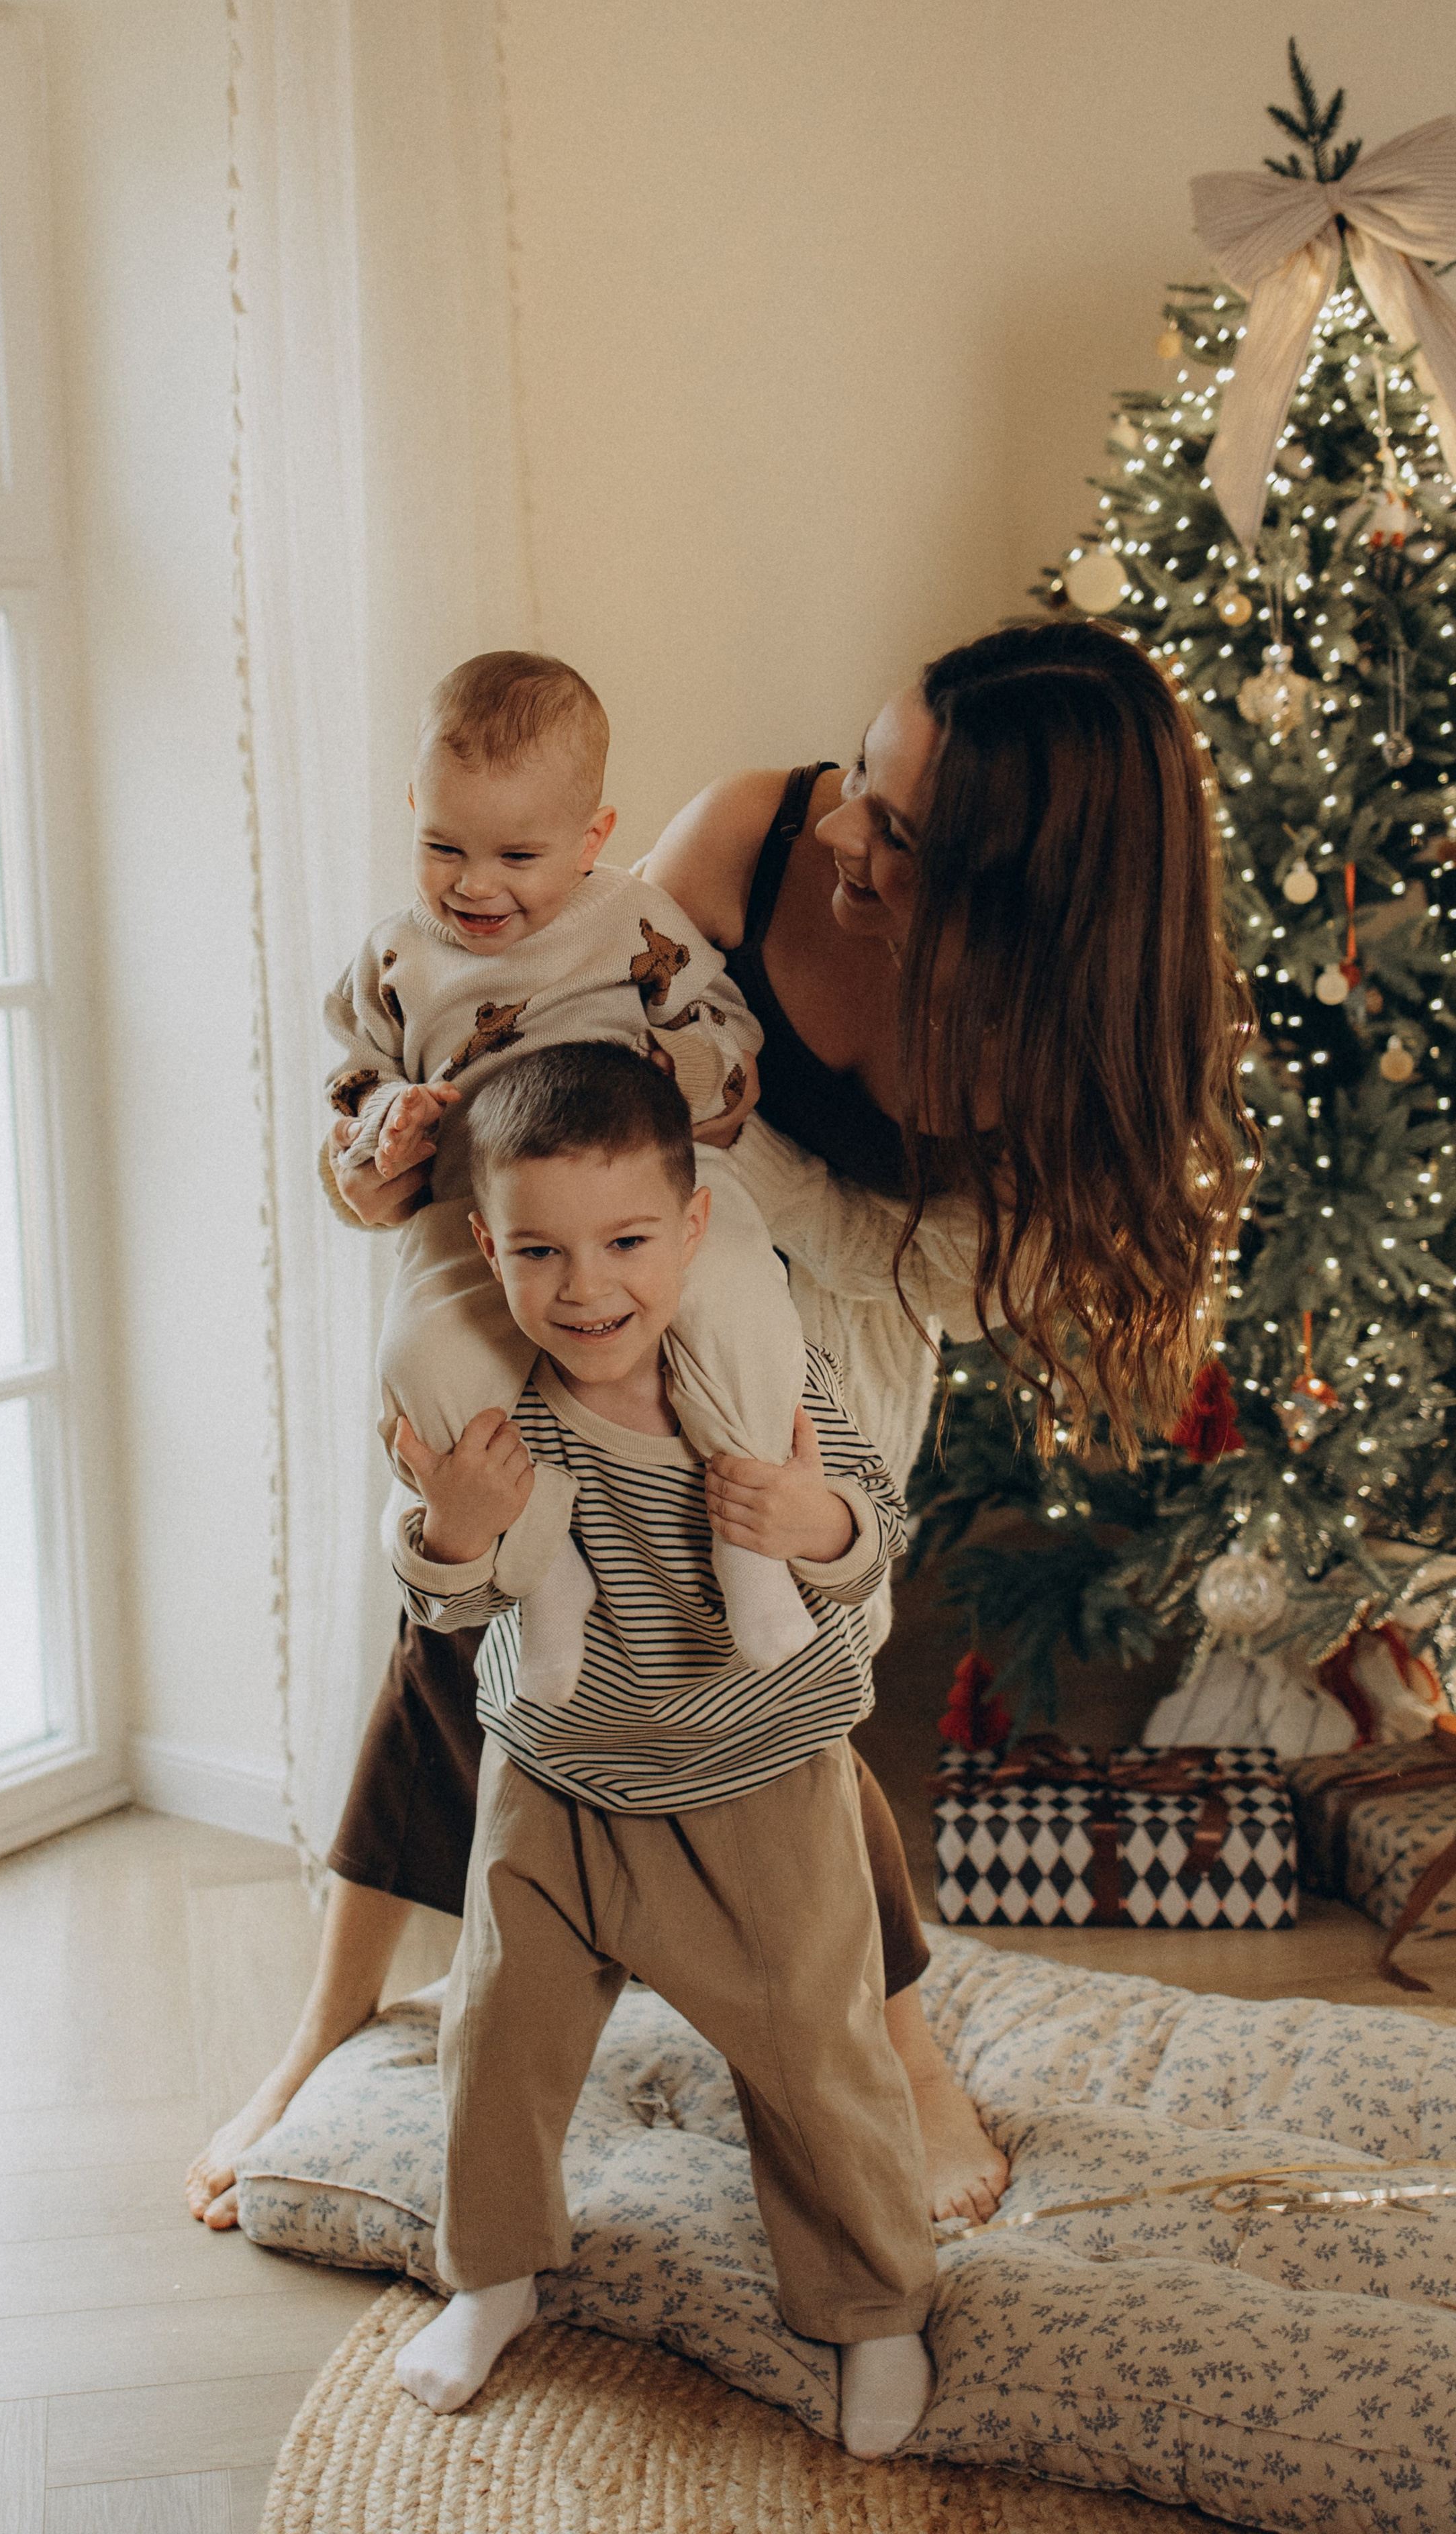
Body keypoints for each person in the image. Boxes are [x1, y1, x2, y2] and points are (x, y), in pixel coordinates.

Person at [185, 616, 1255, 2236]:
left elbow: (966, 1283)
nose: (842, 826)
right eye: (862, 772)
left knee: (782, 1690)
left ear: (1011, 889)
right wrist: (442, 1172)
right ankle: (326, 2020)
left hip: (822, 1331)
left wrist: (739, 1218)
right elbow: (557, 1047)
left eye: (897, 830)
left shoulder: (1078, 1030)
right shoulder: (757, 841)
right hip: (611, 1263)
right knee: (470, 1607)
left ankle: (902, 2050)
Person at [385, 1043, 936, 2454]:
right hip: (555, 1775)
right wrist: (453, 1527)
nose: (586, 1289)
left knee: (813, 2052)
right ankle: (493, 2276)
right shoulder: (484, 1404)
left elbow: (873, 1533)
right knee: (495, 2037)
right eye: (540, 1252)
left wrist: (810, 1522)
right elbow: (445, 1602)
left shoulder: (758, 1369)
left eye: (626, 1242)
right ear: (485, 1248)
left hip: (756, 1774)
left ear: (693, 1230)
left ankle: (873, 2306)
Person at [329, 648, 823, 1697]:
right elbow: (354, 1080)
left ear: (592, 839)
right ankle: (546, 1574)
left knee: (745, 1302)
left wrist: (672, 1068)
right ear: (414, 807)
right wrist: (385, 1122)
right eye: (443, 846)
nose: (475, 884)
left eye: (518, 855)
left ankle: (750, 1541)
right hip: (479, 1211)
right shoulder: (395, 959)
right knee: (421, 1364)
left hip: (644, 1190)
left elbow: (729, 1037)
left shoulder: (633, 919)